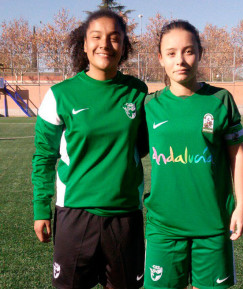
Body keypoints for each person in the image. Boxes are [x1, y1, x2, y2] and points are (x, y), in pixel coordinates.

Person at [32, 9, 148, 289]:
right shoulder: (60, 95)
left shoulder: (138, 92)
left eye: (114, 38)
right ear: (84, 44)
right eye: (96, 37)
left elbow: (144, 146)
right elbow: (44, 156)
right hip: (74, 213)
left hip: (125, 215)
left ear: (124, 44)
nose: (105, 45)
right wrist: (40, 208)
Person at [144, 20, 243, 289]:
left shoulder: (220, 100)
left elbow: (237, 155)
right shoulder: (150, 105)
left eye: (188, 51)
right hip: (163, 228)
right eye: (171, 53)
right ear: (161, 58)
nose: (180, 60)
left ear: (200, 53)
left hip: (212, 224)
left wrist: (241, 205)